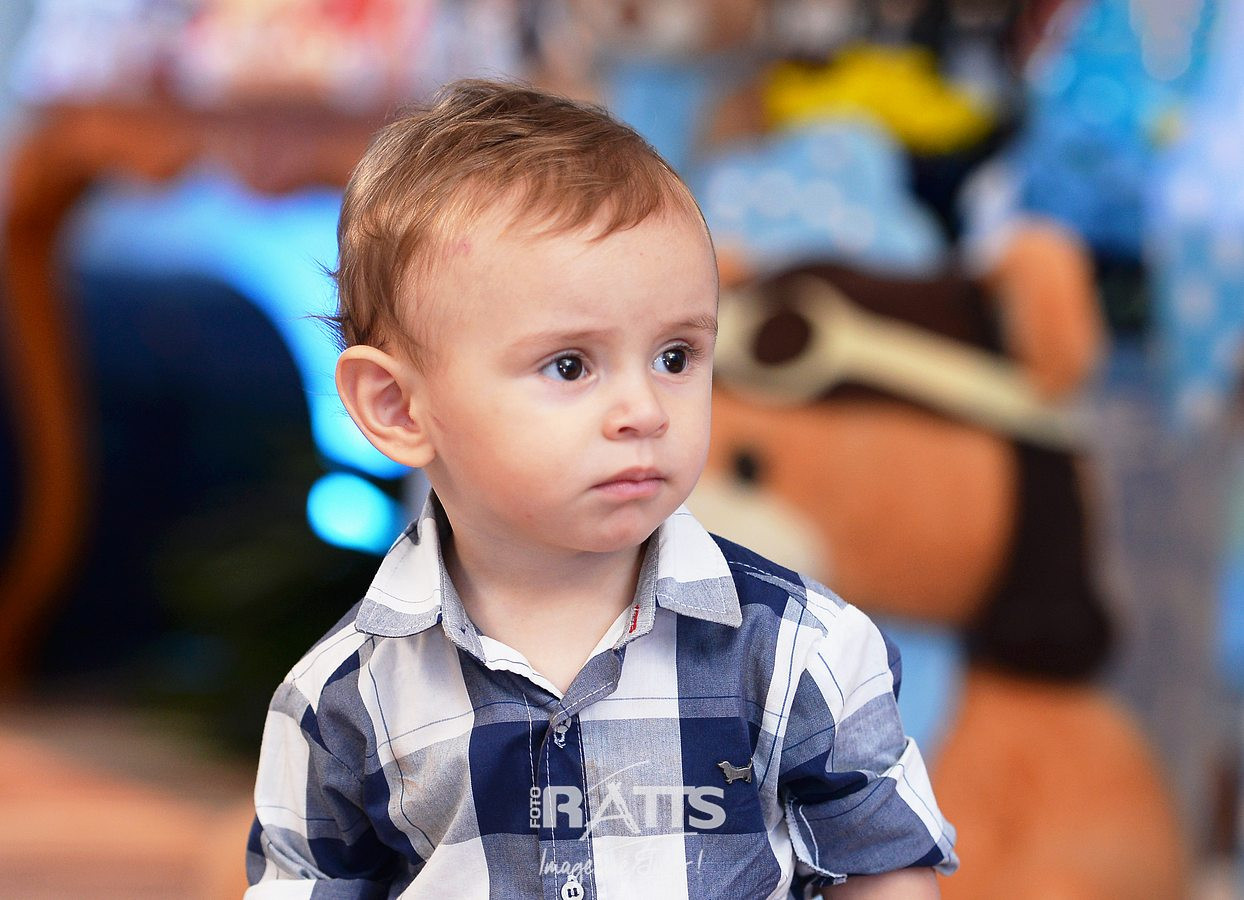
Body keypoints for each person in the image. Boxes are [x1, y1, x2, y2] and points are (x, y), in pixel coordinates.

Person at [244, 79, 957, 899]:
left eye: (675, 357)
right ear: (398, 407)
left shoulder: (798, 650)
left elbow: (884, 869)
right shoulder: (344, 697)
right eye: (570, 365)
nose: (644, 410)